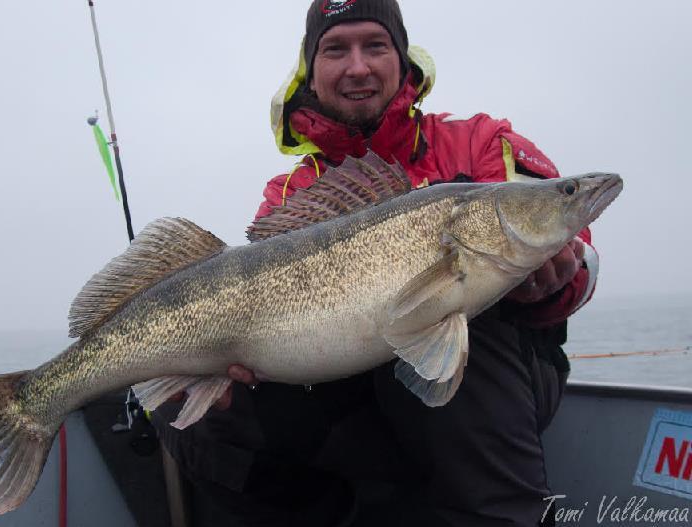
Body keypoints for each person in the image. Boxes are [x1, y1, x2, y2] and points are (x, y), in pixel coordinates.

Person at [154, 1, 599, 525]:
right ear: (312, 72)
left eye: (375, 45)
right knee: (184, 412)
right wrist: (237, 371)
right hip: (352, 383)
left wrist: (556, 283)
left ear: (403, 59)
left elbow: (580, 252)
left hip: (493, 390)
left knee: (458, 314)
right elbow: (261, 298)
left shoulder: (481, 142)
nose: (357, 66)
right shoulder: (289, 193)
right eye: (336, 49)